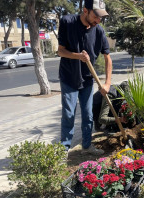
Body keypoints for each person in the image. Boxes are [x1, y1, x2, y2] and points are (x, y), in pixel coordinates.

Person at [58, 0, 112, 155]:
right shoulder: (67, 22)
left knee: (88, 115)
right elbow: (60, 51)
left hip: (87, 79)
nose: (98, 20)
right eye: (96, 16)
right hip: (69, 77)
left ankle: (87, 146)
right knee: (69, 114)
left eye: (101, 17)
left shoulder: (99, 31)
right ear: (85, 10)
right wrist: (78, 56)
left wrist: (107, 84)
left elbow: (108, 58)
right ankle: (64, 150)